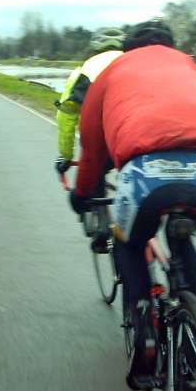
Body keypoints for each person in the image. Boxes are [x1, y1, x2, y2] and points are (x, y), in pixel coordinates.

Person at [69, 20, 196, 389]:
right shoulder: (188, 66)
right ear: (171, 46)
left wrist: (82, 195)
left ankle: (146, 339)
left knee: (130, 242)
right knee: (182, 241)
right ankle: (192, 345)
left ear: (129, 49)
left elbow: (92, 149)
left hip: (145, 175)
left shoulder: (114, 70)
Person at [54, 27, 125, 251]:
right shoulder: (133, 61)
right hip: (142, 135)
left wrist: (65, 155)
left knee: (94, 172)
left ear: (94, 47)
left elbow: (67, 114)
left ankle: (103, 228)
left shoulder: (85, 69)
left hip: (106, 140)